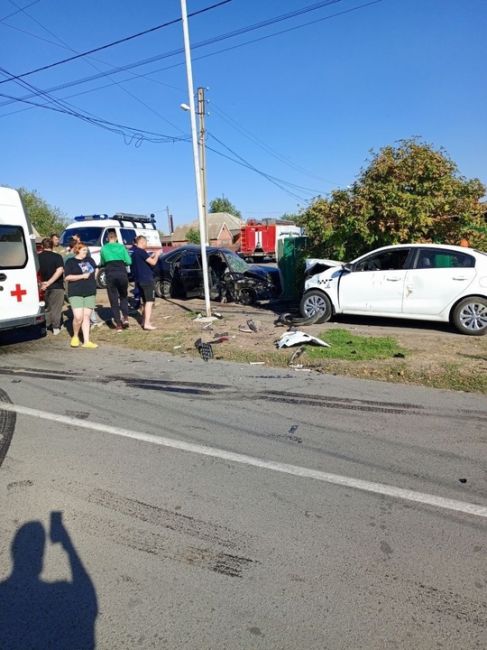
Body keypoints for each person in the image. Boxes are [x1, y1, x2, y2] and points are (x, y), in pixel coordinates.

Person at [64, 242, 99, 348]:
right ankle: (75, 336)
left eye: (86, 250)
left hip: (90, 291)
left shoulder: (90, 260)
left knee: (86, 316)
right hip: (76, 292)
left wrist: (94, 277)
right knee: (78, 317)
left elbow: (95, 269)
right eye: (84, 250)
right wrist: (82, 276)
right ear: (77, 250)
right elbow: (67, 277)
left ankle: (86, 341)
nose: (86, 251)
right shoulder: (70, 262)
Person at [100, 229, 131, 332]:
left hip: (110, 274)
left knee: (113, 299)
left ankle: (118, 325)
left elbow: (102, 262)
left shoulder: (104, 248)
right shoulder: (121, 247)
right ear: (116, 238)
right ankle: (125, 318)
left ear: (107, 238)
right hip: (122, 273)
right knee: (123, 296)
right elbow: (129, 261)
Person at [130, 235, 159, 330]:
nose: (147, 244)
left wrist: (150, 256)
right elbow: (153, 263)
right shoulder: (141, 252)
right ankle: (147, 323)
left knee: (145, 302)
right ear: (142, 242)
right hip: (146, 280)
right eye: (146, 242)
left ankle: (143, 321)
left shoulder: (134, 253)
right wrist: (157, 255)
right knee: (149, 302)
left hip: (139, 280)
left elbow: (142, 262)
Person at [38, 237, 65, 335]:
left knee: (46, 308)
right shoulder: (57, 257)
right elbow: (60, 270)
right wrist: (49, 282)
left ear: (42, 246)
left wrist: (43, 284)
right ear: (52, 246)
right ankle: (56, 327)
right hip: (57, 286)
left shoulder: (37, 257)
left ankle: (45, 326)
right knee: (56, 308)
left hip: (41, 286)